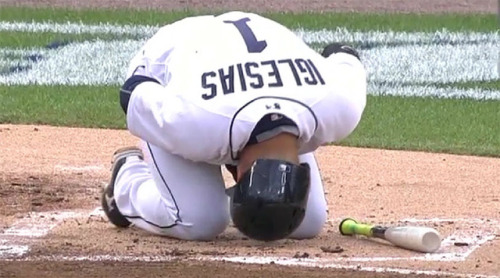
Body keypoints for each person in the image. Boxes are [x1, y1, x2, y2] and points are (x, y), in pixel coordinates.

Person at [101, 11, 367, 241]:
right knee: (200, 219)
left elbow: (342, 55)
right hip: (172, 62)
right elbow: (134, 92)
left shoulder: (339, 104)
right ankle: (127, 177)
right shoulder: (192, 120)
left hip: (243, 87)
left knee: (308, 221)